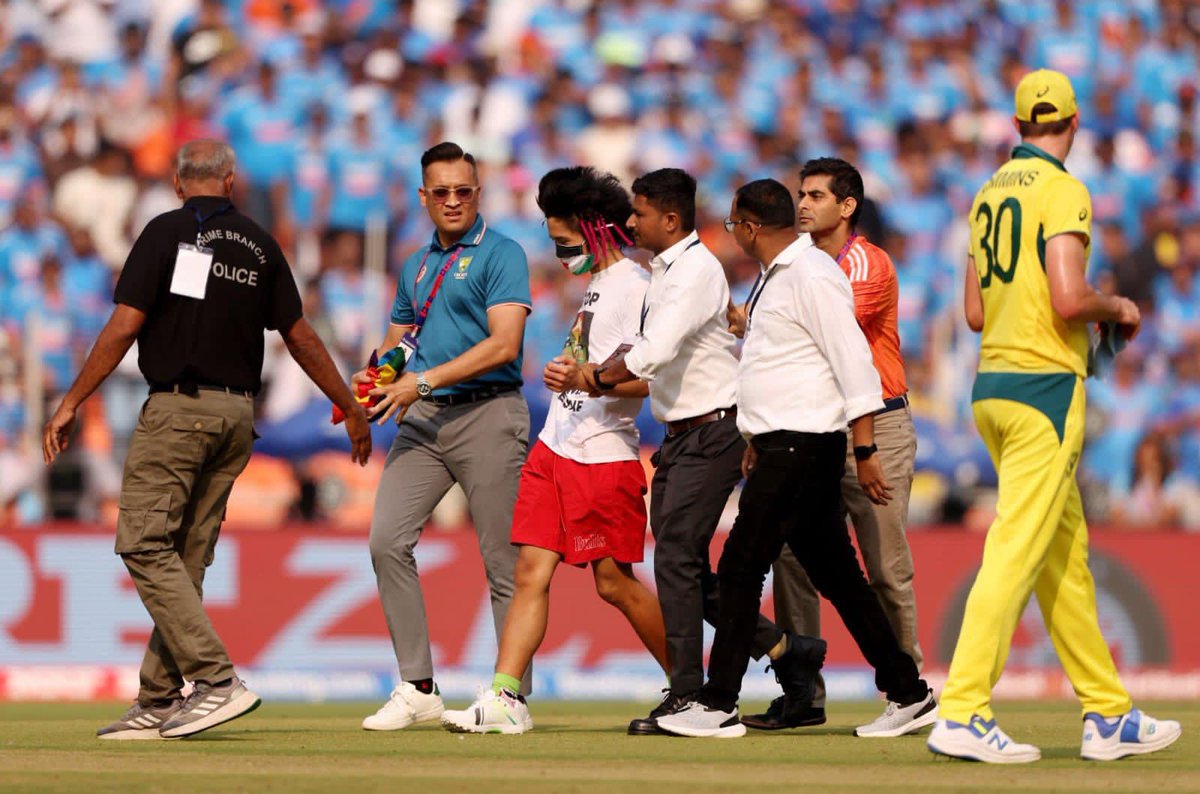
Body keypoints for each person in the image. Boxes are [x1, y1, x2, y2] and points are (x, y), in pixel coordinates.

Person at [41, 139, 371, 740]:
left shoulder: (164, 233)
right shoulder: (263, 245)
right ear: (230, 181)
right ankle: (160, 697)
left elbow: (123, 325)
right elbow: (300, 336)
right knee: (186, 559)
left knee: (143, 544)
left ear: (176, 183)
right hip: (238, 418)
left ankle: (216, 681)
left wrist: (72, 401)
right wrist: (346, 403)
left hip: (179, 409)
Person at [928, 69, 1181, 764]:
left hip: (992, 388)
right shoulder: (1064, 190)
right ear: (1072, 125)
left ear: (1017, 128)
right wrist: (1118, 307)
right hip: (1046, 389)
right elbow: (1070, 298)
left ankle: (1107, 713)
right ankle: (963, 707)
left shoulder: (986, 196)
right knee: (1017, 548)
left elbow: (976, 312)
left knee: (1061, 558)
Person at [655, 179, 934, 739]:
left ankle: (717, 701)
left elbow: (853, 361)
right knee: (842, 580)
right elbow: (775, 366)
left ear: (753, 226)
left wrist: (867, 448)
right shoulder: (779, 277)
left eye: (734, 225)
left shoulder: (812, 275)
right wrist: (755, 438)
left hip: (804, 444)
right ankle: (909, 691)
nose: (732, 235)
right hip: (783, 443)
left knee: (738, 567)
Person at [581, 168, 825, 735]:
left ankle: (691, 693)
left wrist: (594, 375)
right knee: (684, 564)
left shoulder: (693, 272)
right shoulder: (666, 271)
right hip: (682, 435)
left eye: (638, 213)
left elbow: (652, 352)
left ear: (670, 220)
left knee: (674, 561)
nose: (630, 221)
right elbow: (649, 350)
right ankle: (789, 651)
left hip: (712, 429)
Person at [440, 166, 669, 734]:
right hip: (555, 445)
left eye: (562, 239)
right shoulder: (598, 284)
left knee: (613, 582)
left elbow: (657, 379)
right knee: (529, 572)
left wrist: (586, 378)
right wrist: (571, 375)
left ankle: (694, 685)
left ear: (592, 229)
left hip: (603, 451)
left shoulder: (638, 287)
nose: (558, 251)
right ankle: (506, 698)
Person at [735, 157, 925, 735]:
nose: (803, 204)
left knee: (884, 564)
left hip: (876, 427)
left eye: (816, 195)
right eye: (800, 194)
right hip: (812, 427)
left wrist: (749, 320)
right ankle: (803, 692)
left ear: (847, 207)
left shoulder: (860, 264)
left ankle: (907, 688)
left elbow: (827, 325)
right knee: (794, 561)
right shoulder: (788, 269)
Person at [359, 142, 533, 731]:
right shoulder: (415, 265)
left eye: (464, 190)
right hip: (426, 420)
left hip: (487, 413)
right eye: (442, 192)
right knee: (386, 540)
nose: (453, 201)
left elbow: (505, 345)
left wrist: (420, 381)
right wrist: (376, 377)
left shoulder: (502, 253)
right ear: (423, 197)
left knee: (502, 561)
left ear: (479, 193)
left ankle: (511, 699)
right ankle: (418, 686)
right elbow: (397, 343)